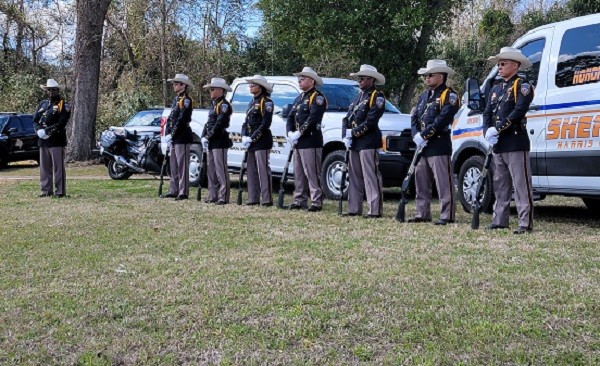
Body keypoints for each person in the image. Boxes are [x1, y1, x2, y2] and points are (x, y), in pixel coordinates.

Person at [483, 47, 535, 234]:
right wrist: (487, 131)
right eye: (499, 64)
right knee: (500, 183)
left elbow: (519, 110)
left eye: (503, 63)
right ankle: (500, 220)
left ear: (515, 65)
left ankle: (525, 222)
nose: (499, 66)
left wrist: (498, 128)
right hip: (499, 143)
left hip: (514, 140)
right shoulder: (496, 87)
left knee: (521, 184)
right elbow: (487, 112)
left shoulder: (522, 85)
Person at [408, 60, 460, 225]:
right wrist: (416, 135)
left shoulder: (449, 95)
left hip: (438, 143)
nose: (427, 78)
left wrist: (424, 135)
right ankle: (422, 213)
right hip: (422, 145)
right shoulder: (424, 96)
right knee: (421, 180)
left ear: (441, 76)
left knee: (443, 182)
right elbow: (415, 117)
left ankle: (447, 214)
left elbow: (443, 118)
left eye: (430, 75)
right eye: (425, 75)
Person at [343, 65, 386, 218]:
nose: (360, 81)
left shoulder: (377, 96)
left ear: (372, 79)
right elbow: (347, 118)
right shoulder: (358, 97)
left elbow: (371, 121)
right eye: (359, 78)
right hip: (354, 142)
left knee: (370, 175)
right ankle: (354, 208)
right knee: (354, 175)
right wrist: (345, 135)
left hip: (368, 140)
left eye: (363, 78)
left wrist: (353, 132)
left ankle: (374, 209)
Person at [286, 67, 327, 212]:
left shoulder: (318, 97)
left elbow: (313, 118)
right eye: (299, 78)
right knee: (298, 173)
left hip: (310, 140)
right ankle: (299, 200)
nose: (299, 80)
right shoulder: (300, 98)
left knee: (312, 172)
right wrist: (290, 132)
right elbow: (290, 116)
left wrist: (300, 132)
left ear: (312, 81)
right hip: (298, 141)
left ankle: (316, 201)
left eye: (302, 78)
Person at [33, 79, 71, 198]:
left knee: (58, 167)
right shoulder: (42, 104)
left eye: (53, 89)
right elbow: (35, 119)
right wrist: (39, 130)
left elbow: (62, 122)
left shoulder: (62, 104)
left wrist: (47, 131)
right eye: (49, 90)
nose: (51, 92)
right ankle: (46, 190)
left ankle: (60, 191)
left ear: (58, 90)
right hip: (43, 140)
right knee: (44, 167)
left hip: (56, 139)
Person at [241, 75, 274, 206]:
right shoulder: (252, 102)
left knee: (263, 170)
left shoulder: (266, 102)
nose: (250, 87)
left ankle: (266, 199)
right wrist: (244, 135)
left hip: (262, 141)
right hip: (251, 141)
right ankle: (253, 198)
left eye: (253, 85)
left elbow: (265, 123)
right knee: (251, 170)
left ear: (260, 87)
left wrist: (252, 137)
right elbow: (246, 122)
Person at [201, 77, 233, 205]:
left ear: (220, 90)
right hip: (212, 141)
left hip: (219, 140)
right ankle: (212, 195)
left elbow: (219, 123)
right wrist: (204, 136)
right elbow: (209, 123)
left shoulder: (224, 105)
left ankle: (223, 196)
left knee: (221, 170)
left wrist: (208, 136)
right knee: (211, 170)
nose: (210, 91)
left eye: (212, 89)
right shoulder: (214, 104)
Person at [164, 74, 194, 200]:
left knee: (182, 165)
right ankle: (174, 189)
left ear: (183, 85)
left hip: (182, 136)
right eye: (174, 84)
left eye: (176, 84)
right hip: (174, 137)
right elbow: (171, 118)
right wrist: (167, 133)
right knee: (174, 165)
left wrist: (173, 133)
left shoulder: (186, 100)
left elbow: (182, 119)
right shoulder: (176, 100)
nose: (174, 86)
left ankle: (183, 191)